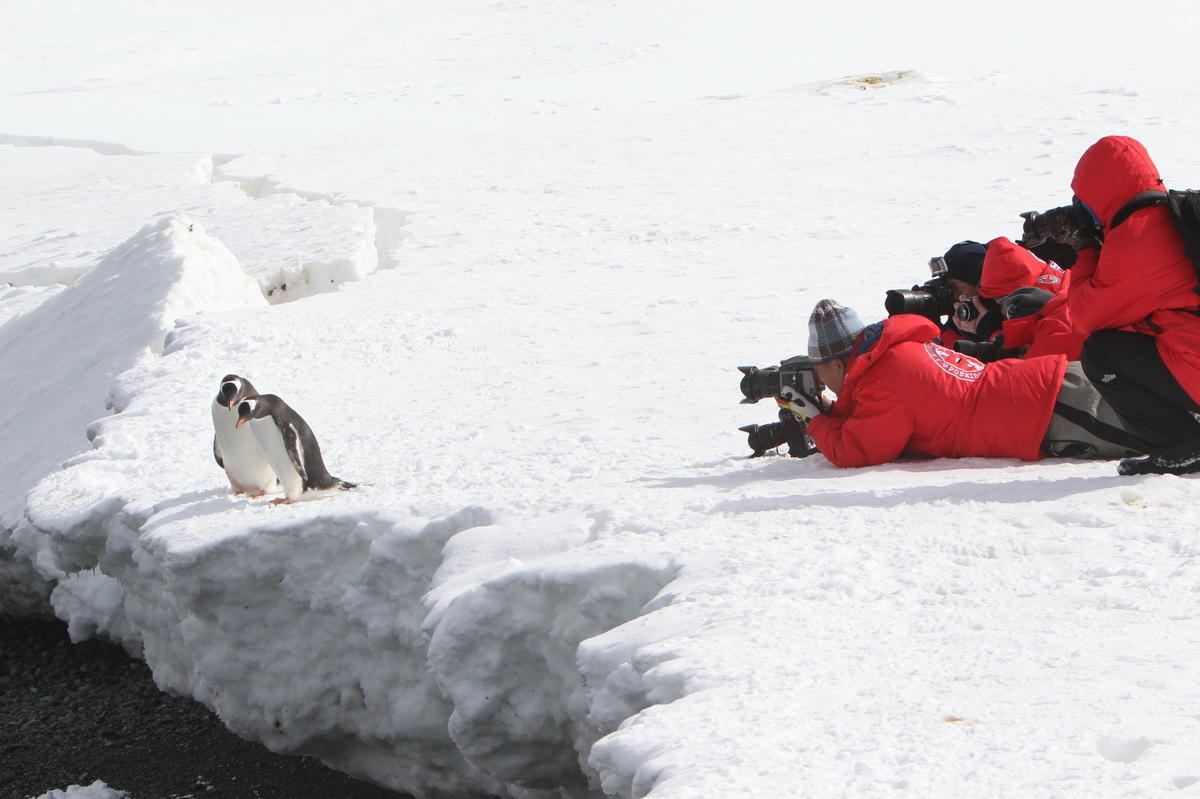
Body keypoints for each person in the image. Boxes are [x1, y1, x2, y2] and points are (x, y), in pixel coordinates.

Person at [789, 300, 1145, 468]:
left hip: (1052, 414)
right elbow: (875, 418)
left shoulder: (883, 380)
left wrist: (815, 419)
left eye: (822, 371)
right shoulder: (899, 352)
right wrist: (832, 411)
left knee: (1173, 433)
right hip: (1056, 385)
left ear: (839, 362)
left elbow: (859, 451)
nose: (822, 380)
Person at [1028, 135, 1200, 475]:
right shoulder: (1167, 214)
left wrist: (1083, 249)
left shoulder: (1135, 242)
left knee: (1101, 353)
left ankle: (1183, 447)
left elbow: (1084, 319)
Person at [952, 237, 1082, 361]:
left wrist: (993, 334)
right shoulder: (1071, 293)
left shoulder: (1058, 321)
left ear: (1011, 300)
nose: (997, 311)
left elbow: (1025, 375)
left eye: (996, 302)